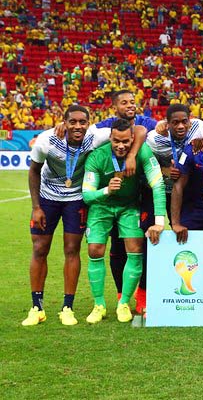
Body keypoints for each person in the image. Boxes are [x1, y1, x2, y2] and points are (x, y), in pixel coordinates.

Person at [22, 106, 113, 326]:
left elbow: (130, 128)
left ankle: (67, 308)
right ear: (64, 122)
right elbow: (34, 171)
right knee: (39, 248)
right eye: (73, 122)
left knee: (72, 249)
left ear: (89, 123)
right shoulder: (46, 141)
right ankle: (37, 307)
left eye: (83, 122)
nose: (78, 126)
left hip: (76, 199)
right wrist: (36, 207)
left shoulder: (94, 137)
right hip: (47, 198)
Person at [81, 118, 166, 324]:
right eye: (116, 141)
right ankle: (99, 304)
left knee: (135, 249)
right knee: (95, 250)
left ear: (132, 139)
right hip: (101, 206)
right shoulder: (97, 156)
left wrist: (160, 221)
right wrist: (107, 190)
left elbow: (158, 184)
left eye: (125, 141)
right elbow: (87, 195)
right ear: (110, 137)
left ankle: (124, 303)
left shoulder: (143, 152)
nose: (120, 146)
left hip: (129, 207)